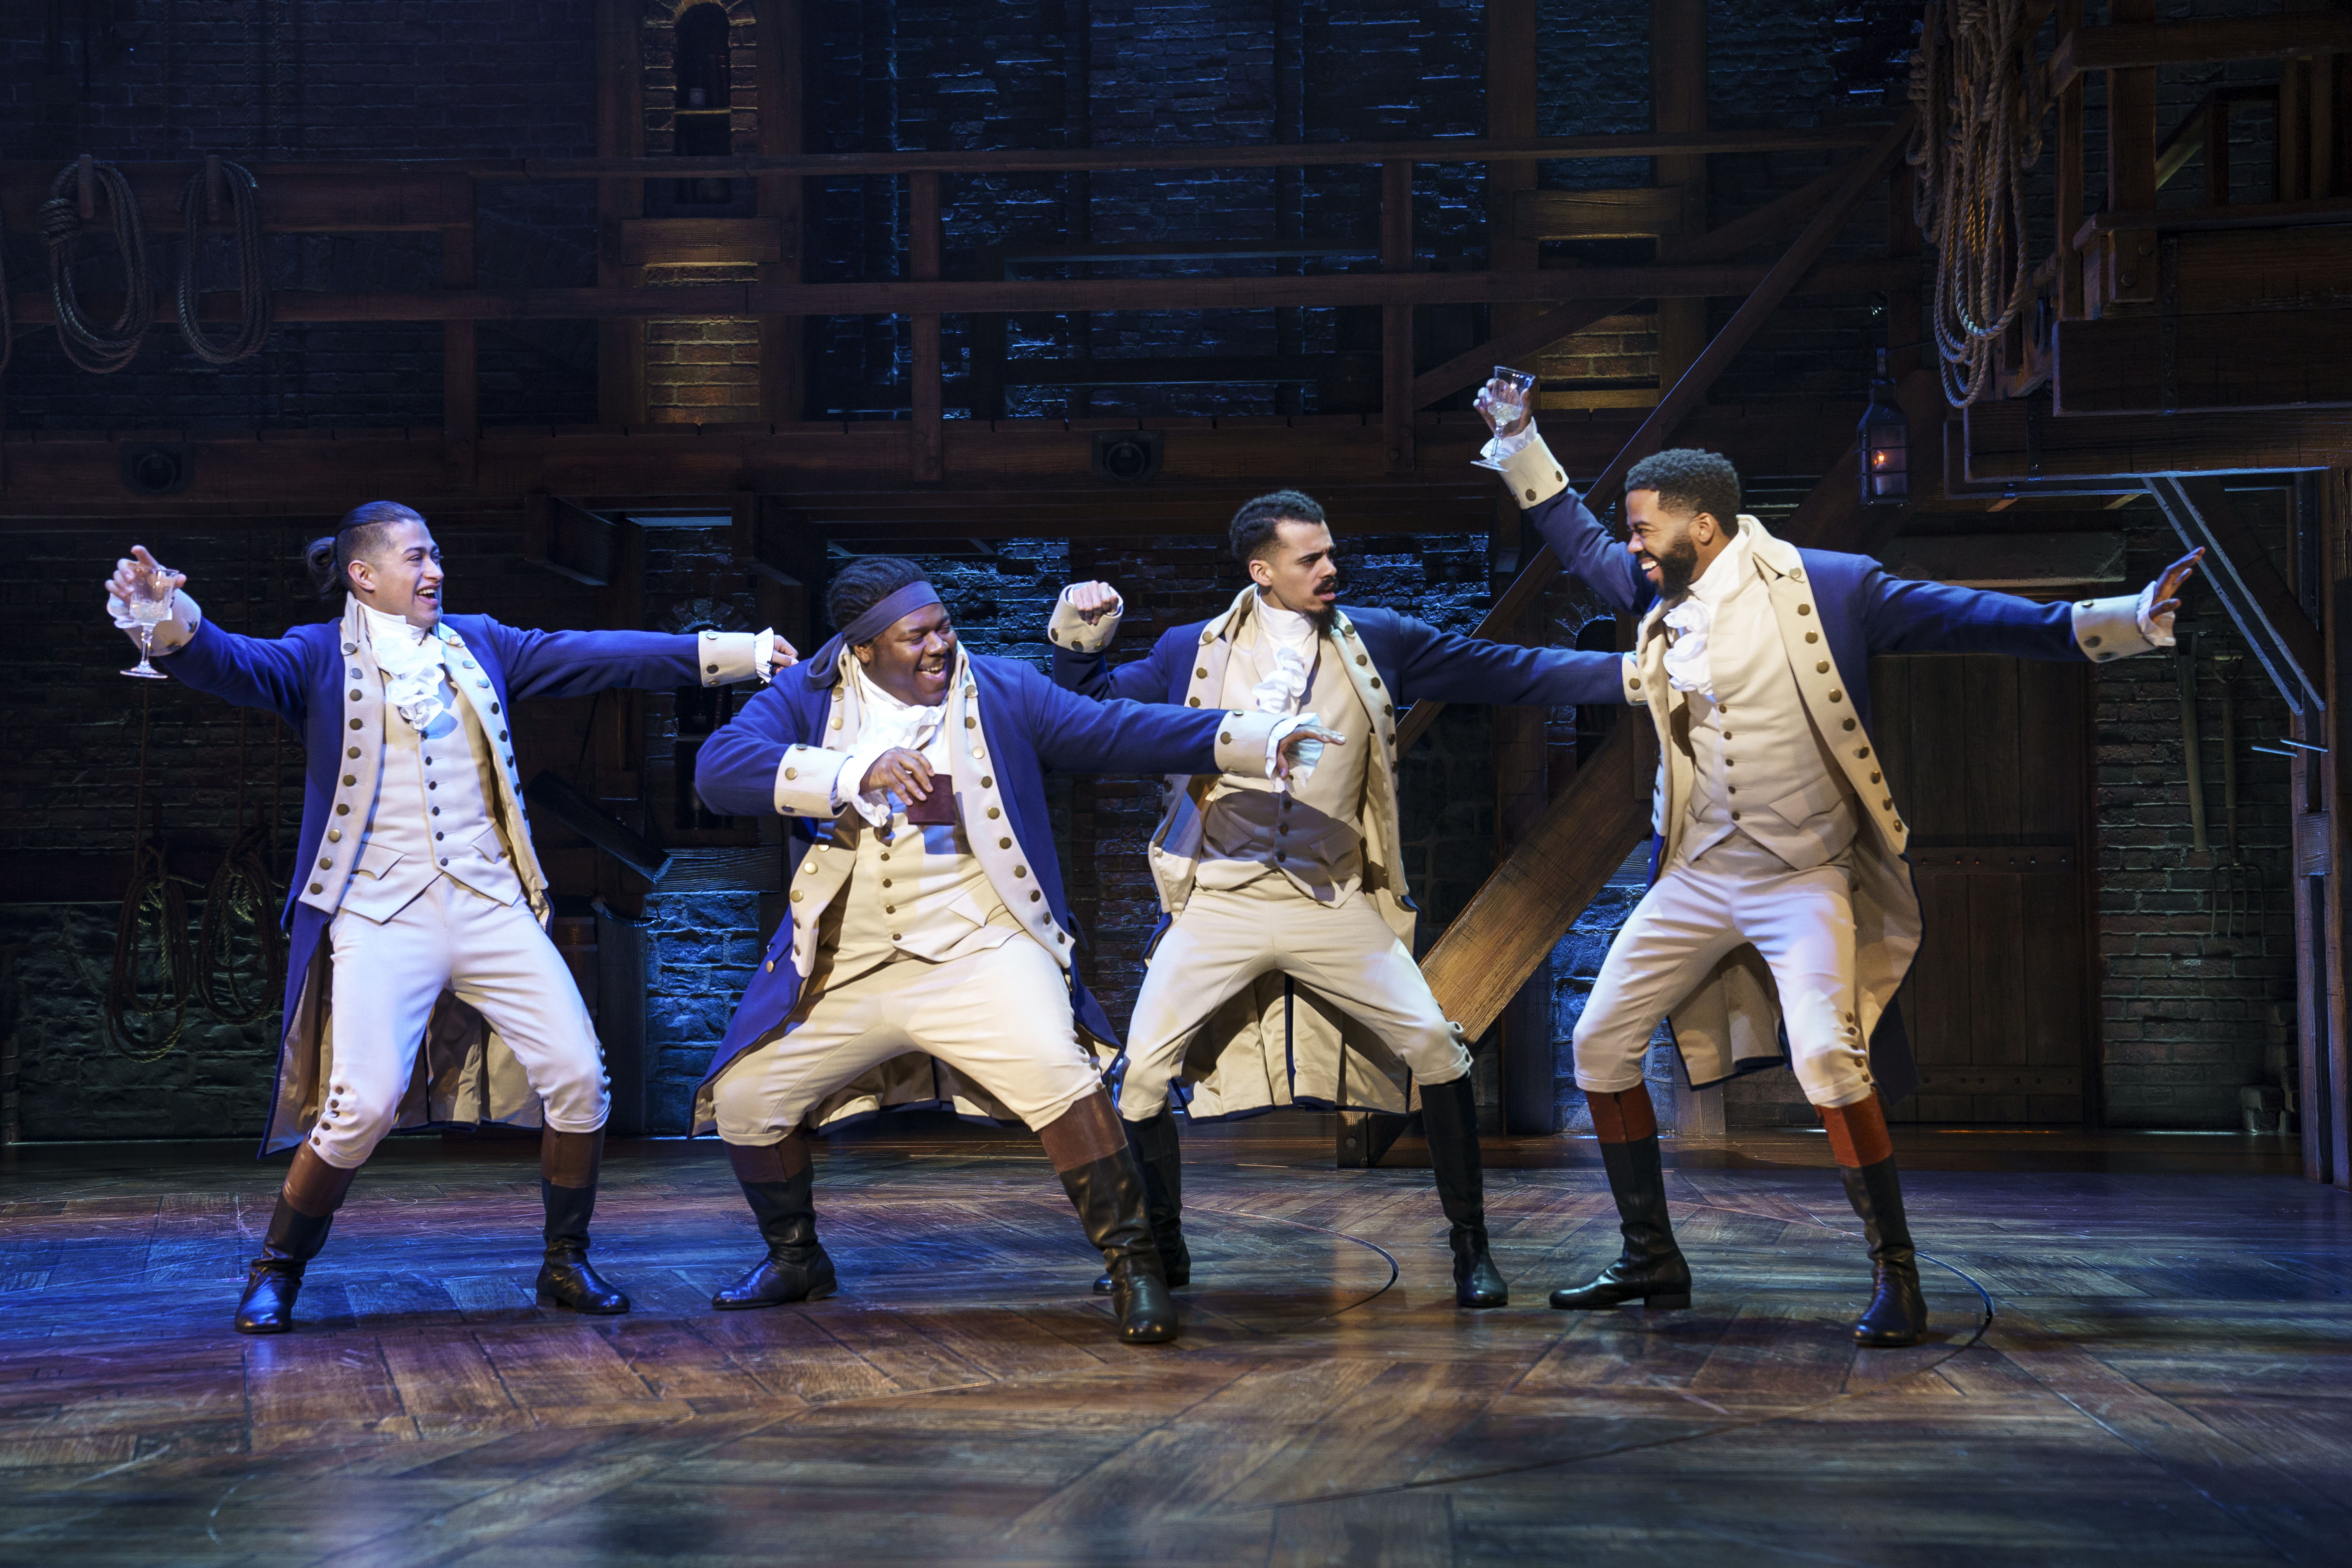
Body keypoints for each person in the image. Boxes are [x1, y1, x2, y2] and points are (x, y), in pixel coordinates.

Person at [1477, 386, 2198, 1345]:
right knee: (1599, 1043)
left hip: (1803, 874)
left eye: (1645, 529)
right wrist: (1519, 438)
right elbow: (1576, 541)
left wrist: (2122, 619)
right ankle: (1651, 1255)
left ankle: (1897, 1275)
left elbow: (1964, 617)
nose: (1632, 546)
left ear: (1703, 525)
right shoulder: (1658, 592)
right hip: (1695, 873)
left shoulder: (1830, 585)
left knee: (1828, 1054)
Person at [103, 503, 792, 1334]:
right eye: (416, 558)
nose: (435, 572)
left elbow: (596, 654)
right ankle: (278, 1267)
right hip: (378, 911)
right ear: (363, 575)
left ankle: (565, 1260)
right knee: (362, 1105)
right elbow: (227, 662)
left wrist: (736, 653)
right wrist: (166, 613)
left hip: (490, 903)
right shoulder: (316, 655)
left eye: (436, 556)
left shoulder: (480, 643)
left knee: (581, 1077)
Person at [689, 557, 1335, 1344]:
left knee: (1060, 1071)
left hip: (983, 945)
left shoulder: (1001, 689)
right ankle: (796, 1259)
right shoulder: (807, 697)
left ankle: (1136, 1265)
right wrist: (854, 769)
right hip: (851, 962)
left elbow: (1115, 730)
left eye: (944, 627)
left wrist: (1253, 737)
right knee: (747, 1099)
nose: (940, 645)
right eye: (916, 636)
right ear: (863, 649)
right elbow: (718, 769)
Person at [1046, 493, 1630, 1308]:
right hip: (1221, 900)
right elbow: (1094, 719)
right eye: (1309, 558)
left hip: (1331, 899)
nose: (1330, 568)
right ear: (1262, 570)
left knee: (1436, 1047)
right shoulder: (1193, 651)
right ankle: (1163, 1248)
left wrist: (1629, 675)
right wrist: (1080, 639)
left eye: (1330, 552)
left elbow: (1502, 669)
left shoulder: (1377, 639)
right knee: (1140, 1077)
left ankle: (1471, 1248)